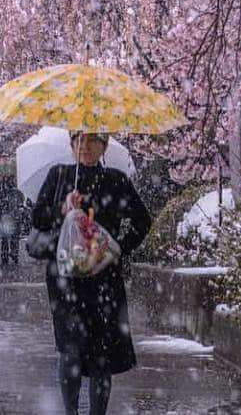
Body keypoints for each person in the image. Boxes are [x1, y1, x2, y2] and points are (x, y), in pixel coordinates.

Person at [31, 130, 152, 415]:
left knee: (100, 354)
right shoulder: (59, 175)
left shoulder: (116, 180)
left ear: (104, 146)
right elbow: (37, 217)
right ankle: (70, 411)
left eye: (92, 140)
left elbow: (142, 220)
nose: (84, 146)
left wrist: (116, 249)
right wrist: (63, 209)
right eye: (79, 140)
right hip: (64, 278)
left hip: (102, 281)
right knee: (69, 351)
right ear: (71, 144)